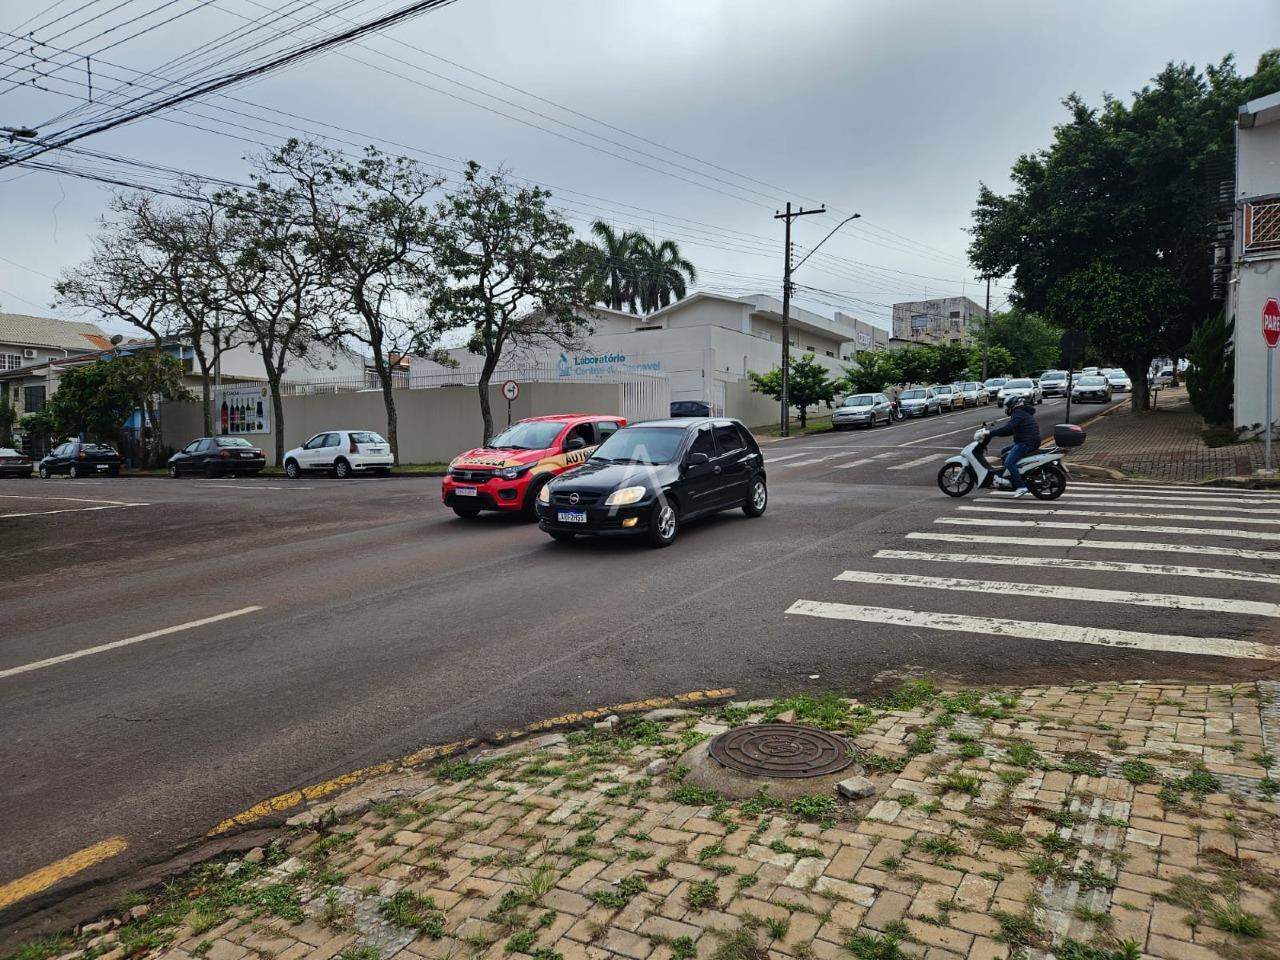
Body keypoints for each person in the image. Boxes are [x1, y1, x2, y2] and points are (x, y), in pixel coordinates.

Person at [988, 396, 1041, 497]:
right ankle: (1009, 478)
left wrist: (991, 433)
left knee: (1009, 462)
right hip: (1028, 441)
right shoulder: (1022, 413)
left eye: (1007, 406)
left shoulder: (1018, 414)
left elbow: (1008, 428)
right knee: (1004, 451)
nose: (1006, 409)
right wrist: (994, 434)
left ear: (1013, 405)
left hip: (1026, 443)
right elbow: (1010, 431)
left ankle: (1021, 486)